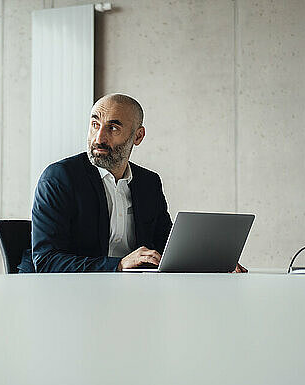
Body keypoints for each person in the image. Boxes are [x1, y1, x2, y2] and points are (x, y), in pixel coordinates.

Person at [29, 93, 247, 273]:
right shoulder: (59, 178)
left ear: (138, 136)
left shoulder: (148, 183)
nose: (99, 138)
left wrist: (211, 264)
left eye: (113, 128)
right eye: (95, 124)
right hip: (72, 298)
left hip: (134, 292)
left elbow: (167, 248)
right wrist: (120, 265)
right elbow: (47, 261)